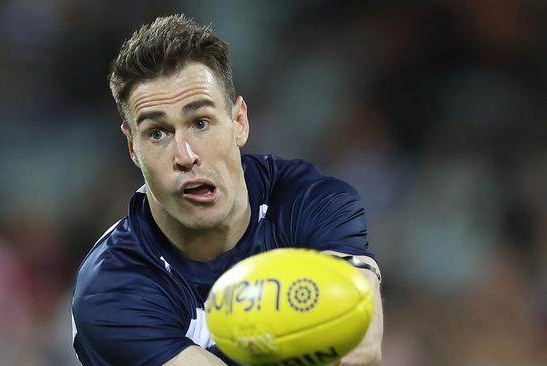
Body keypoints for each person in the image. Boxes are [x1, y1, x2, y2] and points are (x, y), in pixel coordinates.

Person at [72, 14, 383, 366]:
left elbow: (361, 345)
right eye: (157, 133)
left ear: (239, 122)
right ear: (133, 148)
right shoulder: (112, 289)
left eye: (201, 122)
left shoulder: (309, 203)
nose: (185, 157)